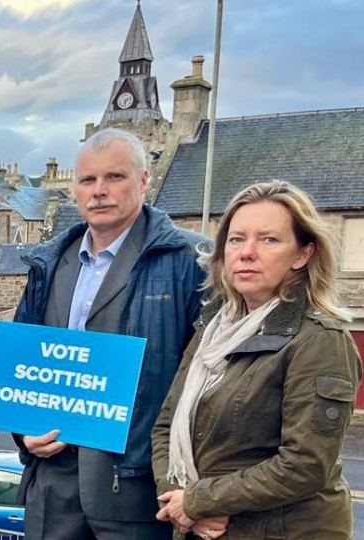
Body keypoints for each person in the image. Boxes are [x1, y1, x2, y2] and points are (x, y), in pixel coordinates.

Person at [13, 128, 208, 540]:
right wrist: (22, 432)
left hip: (137, 490)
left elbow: (210, 384)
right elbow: (22, 367)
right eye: (87, 180)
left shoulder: (192, 263)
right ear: (75, 191)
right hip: (53, 490)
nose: (99, 191)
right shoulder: (46, 264)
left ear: (142, 182)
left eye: (114, 177)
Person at [152, 181, 361, 540]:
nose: (247, 253)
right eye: (236, 239)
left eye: (269, 240)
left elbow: (304, 465)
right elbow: (166, 426)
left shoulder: (320, 339)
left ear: (302, 254)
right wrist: (180, 503)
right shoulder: (211, 329)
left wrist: (198, 502)